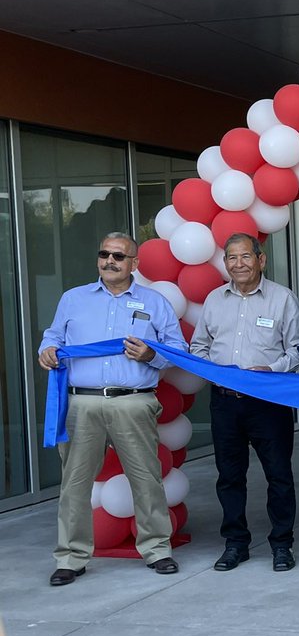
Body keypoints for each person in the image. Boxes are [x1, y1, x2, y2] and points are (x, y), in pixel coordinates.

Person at [37, 232, 187, 585]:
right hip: (82, 402)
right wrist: (47, 349)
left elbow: (178, 348)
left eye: (119, 256)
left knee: (146, 479)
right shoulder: (73, 299)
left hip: (132, 401)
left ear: (134, 263)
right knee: (75, 483)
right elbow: (54, 336)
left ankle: (157, 549)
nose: (110, 261)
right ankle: (71, 557)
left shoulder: (154, 302)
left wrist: (151, 355)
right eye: (104, 254)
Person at [190, 233, 299, 573]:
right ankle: (235, 543)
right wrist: (214, 371)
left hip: (269, 402)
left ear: (261, 260)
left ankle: (282, 544)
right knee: (229, 476)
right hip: (225, 402)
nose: (238, 264)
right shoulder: (214, 300)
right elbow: (199, 346)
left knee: (279, 475)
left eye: (245, 257)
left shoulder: (282, 299)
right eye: (231, 258)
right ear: (225, 263)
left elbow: (298, 349)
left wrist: (272, 370)